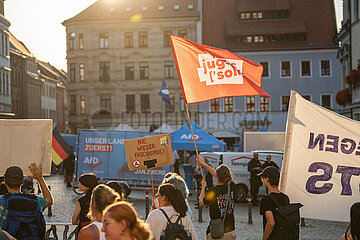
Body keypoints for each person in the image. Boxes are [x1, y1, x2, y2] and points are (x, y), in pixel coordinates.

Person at [0, 163, 54, 239]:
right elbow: (49, 200)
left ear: (5, 181)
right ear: (22, 181)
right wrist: (39, 178)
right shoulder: (35, 200)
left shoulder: (2, 201)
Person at [198, 156, 236, 240]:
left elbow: (201, 203)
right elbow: (217, 174)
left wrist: (203, 187)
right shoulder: (231, 186)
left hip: (216, 231)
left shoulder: (213, 192)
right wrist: (204, 164)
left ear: (217, 176)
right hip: (230, 230)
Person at [259, 166, 290, 240]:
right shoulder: (285, 197)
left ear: (267, 179)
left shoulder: (266, 200)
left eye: (262, 178)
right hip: (284, 236)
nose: (262, 181)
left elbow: (271, 223)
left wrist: (264, 239)